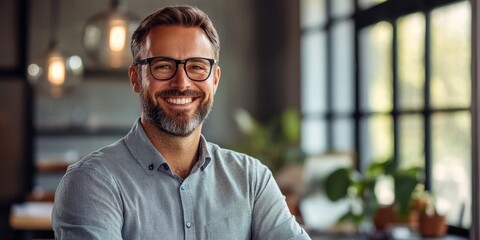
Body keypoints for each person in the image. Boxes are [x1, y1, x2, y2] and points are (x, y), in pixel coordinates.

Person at [52, 5, 310, 240]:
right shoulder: (92, 182)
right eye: (163, 66)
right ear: (136, 78)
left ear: (215, 79)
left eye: (197, 66)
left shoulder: (251, 179)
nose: (182, 83)